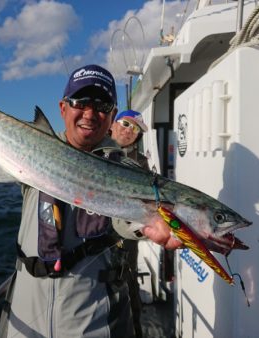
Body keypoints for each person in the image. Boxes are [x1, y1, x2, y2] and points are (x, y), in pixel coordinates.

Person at [0, 62, 182, 337]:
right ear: (63, 108)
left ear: (111, 115)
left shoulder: (127, 169)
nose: (90, 113)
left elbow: (124, 220)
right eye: (81, 102)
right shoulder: (31, 146)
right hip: (24, 318)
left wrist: (147, 222)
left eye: (102, 106)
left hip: (92, 322)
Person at [110, 109, 149, 337]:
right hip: (91, 238)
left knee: (128, 285)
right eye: (126, 123)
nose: (129, 131)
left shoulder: (140, 164)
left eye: (135, 129)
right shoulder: (93, 151)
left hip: (126, 239)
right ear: (113, 124)